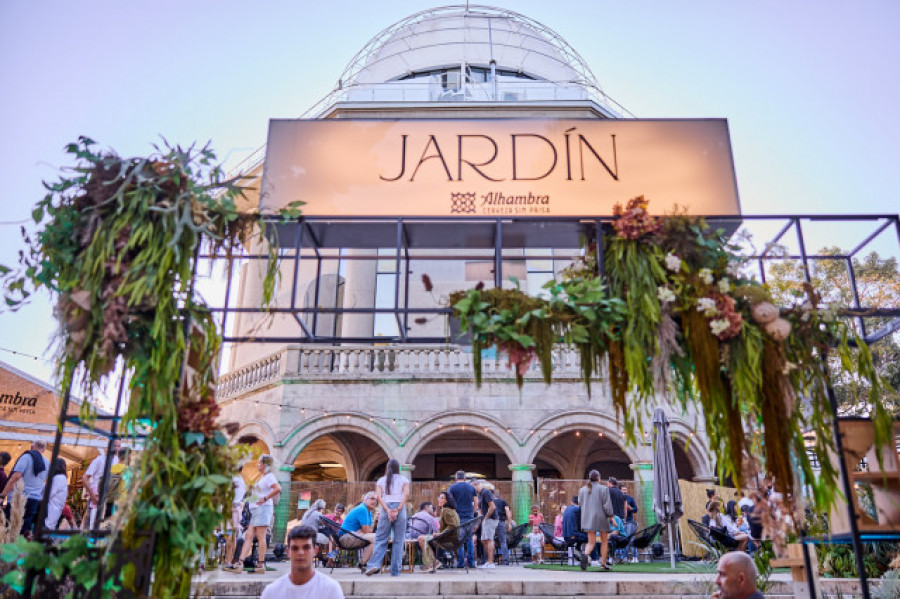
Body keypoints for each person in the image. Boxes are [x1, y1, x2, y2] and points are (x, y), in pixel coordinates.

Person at [260, 525, 344, 598]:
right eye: (295, 548)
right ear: (288, 552)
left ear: (315, 550)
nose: (300, 552)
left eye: (306, 547)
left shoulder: (331, 589)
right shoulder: (272, 592)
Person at [231, 454, 282, 574]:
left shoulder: (269, 477)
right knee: (249, 536)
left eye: (260, 463)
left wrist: (264, 498)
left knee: (261, 536)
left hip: (263, 509)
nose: (258, 465)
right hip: (257, 510)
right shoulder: (264, 477)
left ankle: (260, 564)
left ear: (265, 465)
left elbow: (277, 488)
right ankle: (240, 562)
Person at [365, 458, 410, 577]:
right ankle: (395, 570)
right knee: (398, 541)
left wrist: (388, 510)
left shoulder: (381, 480)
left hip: (386, 508)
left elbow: (379, 497)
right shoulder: (404, 479)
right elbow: (405, 495)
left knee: (381, 538)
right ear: (398, 468)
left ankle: (374, 565)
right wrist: (397, 509)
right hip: (400, 508)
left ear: (387, 467)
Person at [0, 440, 49, 537]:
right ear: (44, 450)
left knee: (9, 528)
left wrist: (3, 495)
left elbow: (16, 476)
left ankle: (8, 550)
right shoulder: (47, 463)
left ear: (32, 446)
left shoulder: (26, 457)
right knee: (25, 530)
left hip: (18, 498)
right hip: (34, 500)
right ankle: (21, 550)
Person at [578, 469, 614, 571]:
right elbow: (607, 506)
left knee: (591, 542)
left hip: (588, 519)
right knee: (604, 541)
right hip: (601, 517)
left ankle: (585, 554)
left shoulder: (582, 490)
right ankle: (603, 564)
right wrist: (611, 517)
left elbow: (580, 504)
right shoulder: (604, 489)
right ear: (599, 478)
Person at [83, 439, 120, 529]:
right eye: (115, 445)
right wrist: (92, 495)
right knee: (90, 528)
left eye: (119, 446)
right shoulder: (99, 460)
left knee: (104, 528)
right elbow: (84, 478)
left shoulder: (117, 461)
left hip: (109, 500)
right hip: (96, 498)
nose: (117, 448)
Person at [418, 490, 459, 572]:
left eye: (442, 498)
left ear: (447, 500)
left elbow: (452, 525)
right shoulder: (450, 510)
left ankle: (431, 563)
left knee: (421, 538)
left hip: (447, 539)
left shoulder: (446, 510)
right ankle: (433, 562)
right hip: (450, 538)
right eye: (439, 497)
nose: (439, 499)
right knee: (423, 538)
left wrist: (440, 533)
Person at [447, 470, 477, 569]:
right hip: (469, 515)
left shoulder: (452, 488)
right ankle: (471, 563)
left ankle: (461, 563)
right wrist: (473, 512)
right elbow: (476, 501)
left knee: (459, 540)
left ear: (456, 478)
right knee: (469, 539)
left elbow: (450, 502)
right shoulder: (471, 487)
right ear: (465, 478)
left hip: (457, 516)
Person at [341, 492, 378, 566]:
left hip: (352, 535)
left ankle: (364, 563)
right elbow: (367, 531)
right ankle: (363, 564)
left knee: (377, 537)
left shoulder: (368, 511)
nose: (374, 501)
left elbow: (369, 530)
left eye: (376, 500)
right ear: (365, 500)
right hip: (346, 538)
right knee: (377, 538)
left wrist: (374, 523)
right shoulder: (362, 509)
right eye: (372, 499)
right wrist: (364, 530)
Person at [223, 469, 248, 571]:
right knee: (234, 537)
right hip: (237, 510)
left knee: (230, 536)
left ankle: (228, 561)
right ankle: (233, 561)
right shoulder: (242, 480)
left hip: (231, 510)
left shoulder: (233, 480)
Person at [473, 479, 497, 568]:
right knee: (483, 540)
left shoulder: (486, 492)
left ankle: (491, 562)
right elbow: (480, 511)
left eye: (473, 488)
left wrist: (486, 517)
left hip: (491, 519)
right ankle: (488, 561)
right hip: (485, 520)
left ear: (476, 484)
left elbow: (492, 506)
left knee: (489, 539)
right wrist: (477, 524)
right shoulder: (479, 495)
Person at [44, 458, 68, 530]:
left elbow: (47, 494)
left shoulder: (58, 478)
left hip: (50, 513)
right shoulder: (63, 479)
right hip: (54, 513)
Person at [492, 487, 512, 565]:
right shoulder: (503, 501)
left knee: (490, 541)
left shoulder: (490, 501)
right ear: (499, 495)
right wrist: (509, 523)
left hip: (491, 521)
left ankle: (490, 560)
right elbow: (507, 511)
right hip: (500, 521)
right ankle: (505, 560)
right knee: (503, 541)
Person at [620, 483, 639, 562]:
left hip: (629, 521)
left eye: (626, 490)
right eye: (623, 490)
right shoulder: (618, 499)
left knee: (631, 538)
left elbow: (636, 509)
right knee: (622, 539)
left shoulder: (630, 499)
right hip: (620, 521)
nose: (625, 492)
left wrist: (631, 508)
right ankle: (623, 557)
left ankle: (634, 557)